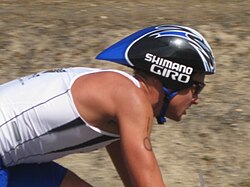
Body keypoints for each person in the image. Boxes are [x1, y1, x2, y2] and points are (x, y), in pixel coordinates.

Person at [0, 24, 215, 187]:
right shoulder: (130, 98)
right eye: (197, 88)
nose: (197, 99)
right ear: (173, 77)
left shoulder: (120, 101)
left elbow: (135, 181)